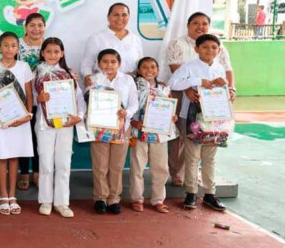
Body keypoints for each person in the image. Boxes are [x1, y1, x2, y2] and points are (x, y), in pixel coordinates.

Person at [165, 12, 234, 186]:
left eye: (204, 23)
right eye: (195, 23)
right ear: (188, 25)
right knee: (182, 137)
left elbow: (227, 70)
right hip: (186, 94)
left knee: (208, 140)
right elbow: (175, 74)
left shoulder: (218, 46)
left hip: (211, 104)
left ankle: (202, 181)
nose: (200, 26)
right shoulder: (177, 44)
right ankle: (178, 174)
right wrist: (190, 87)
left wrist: (229, 88)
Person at [33, 38, 85, 218]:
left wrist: (79, 116)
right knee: (46, 163)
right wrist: (39, 99)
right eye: (49, 52)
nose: (53, 55)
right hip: (44, 125)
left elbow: (78, 98)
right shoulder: (36, 73)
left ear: (62, 53)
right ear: (42, 53)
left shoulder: (69, 74)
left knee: (63, 163)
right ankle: (45, 201)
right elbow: (29, 98)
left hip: (65, 123)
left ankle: (62, 202)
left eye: (56, 52)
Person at [0, 32, 34, 216]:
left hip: (20, 120)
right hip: (1, 120)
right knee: (2, 157)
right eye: (5, 45)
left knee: (15, 157)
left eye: (13, 45)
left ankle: (13, 195)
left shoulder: (24, 66)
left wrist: (28, 114)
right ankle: (3, 195)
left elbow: (29, 94)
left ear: (18, 48)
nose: (9, 49)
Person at [86, 49, 139, 215]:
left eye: (113, 62)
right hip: (100, 127)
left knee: (116, 165)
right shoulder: (93, 80)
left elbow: (134, 104)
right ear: (98, 63)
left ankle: (114, 198)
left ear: (119, 64)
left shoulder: (128, 79)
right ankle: (100, 198)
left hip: (122, 127)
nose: (109, 65)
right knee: (100, 165)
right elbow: (86, 100)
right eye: (105, 61)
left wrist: (127, 113)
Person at [129, 57, 174, 213]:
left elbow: (169, 106)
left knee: (161, 167)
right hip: (138, 132)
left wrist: (171, 117)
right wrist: (134, 123)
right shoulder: (133, 86)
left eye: (153, 67)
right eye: (145, 67)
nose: (149, 70)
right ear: (139, 70)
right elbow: (128, 107)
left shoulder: (164, 88)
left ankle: (158, 199)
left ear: (158, 69)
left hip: (159, 133)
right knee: (137, 167)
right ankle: (137, 199)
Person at [80, 3, 144, 81]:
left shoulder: (135, 39)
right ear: (108, 17)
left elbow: (141, 65)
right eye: (116, 15)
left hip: (130, 86)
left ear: (128, 17)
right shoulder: (96, 38)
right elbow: (87, 63)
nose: (120, 18)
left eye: (124, 15)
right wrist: (88, 77)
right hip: (104, 87)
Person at [18, 12, 46, 190]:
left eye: (40, 25)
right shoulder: (17, 45)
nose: (36, 29)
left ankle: (37, 172)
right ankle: (24, 173)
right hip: (21, 99)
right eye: (32, 25)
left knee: (39, 138)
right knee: (23, 137)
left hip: (44, 100)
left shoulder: (48, 45)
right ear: (25, 27)